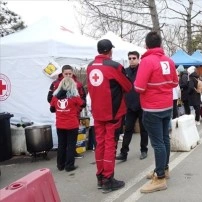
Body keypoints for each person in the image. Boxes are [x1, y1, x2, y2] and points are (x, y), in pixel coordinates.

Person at [134, 31, 178, 193]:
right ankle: (164, 168)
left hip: (152, 108)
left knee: (158, 142)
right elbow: (174, 82)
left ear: (146, 45)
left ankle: (159, 177)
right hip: (167, 105)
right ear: (160, 44)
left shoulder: (146, 61)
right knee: (165, 139)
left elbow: (139, 87)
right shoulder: (168, 60)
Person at [87, 39, 132, 193]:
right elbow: (127, 86)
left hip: (97, 112)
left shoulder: (90, 66)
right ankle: (108, 179)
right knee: (110, 145)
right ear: (109, 51)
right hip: (112, 112)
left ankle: (100, 176)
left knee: (99, 144)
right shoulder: (114, 66)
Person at [116, 51, 148, 162]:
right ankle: (123, 152)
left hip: (142, 105)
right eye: (130, 58)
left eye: (134, 58)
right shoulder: (125, 71)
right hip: (129, 105)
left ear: (138, 59)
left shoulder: (142, 70)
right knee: (128, 129)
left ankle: (144, 149)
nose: (132, 60)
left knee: (144, 129)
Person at [50, 77, 83, 172]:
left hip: (60, 125)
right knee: (71, 146)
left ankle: (60, 165)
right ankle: (69, 166)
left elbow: (52, 109)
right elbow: (82, 104)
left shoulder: (55, 97)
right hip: (72, 125)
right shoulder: (74, 97)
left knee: (61, 145)